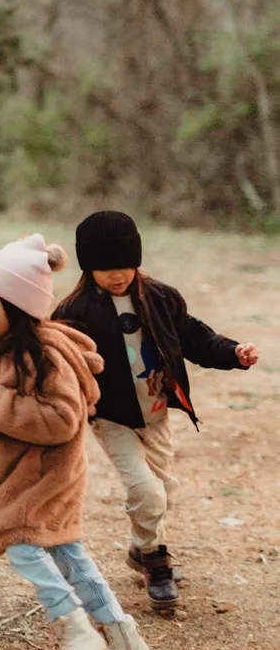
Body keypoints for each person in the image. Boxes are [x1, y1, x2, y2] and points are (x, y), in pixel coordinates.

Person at [0, 235, 158, 650]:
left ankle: (77, 632)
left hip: (46, 475)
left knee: (19, 542)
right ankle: (128, 647)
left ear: (18, 307)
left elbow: (62, 420)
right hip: (13, 472)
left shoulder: (46, 356)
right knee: (69, 556)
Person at [53, 211, 259, 610]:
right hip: (112, 417)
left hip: (157, 410)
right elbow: (59, 363)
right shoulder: (74, 312)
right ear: (88, 265)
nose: (118, 275)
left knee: (163, 492)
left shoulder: (161, 298)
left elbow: (196, 338)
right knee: (145, 491)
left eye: (126, 265)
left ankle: (140, 547)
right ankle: (155, 560)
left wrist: (233, 353)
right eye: (106, 267)